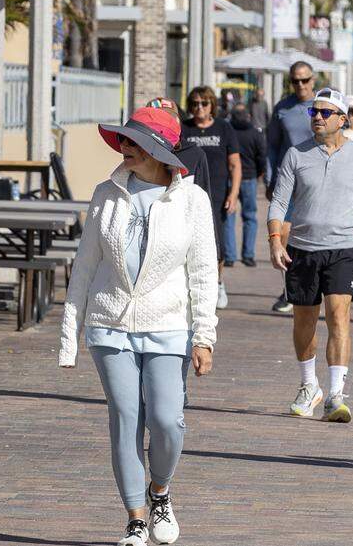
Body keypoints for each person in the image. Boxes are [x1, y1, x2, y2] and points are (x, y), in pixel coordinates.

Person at [60, 106, 218, 546]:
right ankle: (134, 518)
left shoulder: (192, 200)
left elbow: (204, 272)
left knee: (167, 419)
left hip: (170, 323)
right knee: (126, 418)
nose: (122, 147)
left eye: (132, 141)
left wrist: (204, 336)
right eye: (122, 140)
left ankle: (160, 491)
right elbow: (85, 265)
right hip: (110, 321)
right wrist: (69, 334)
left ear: (157, 148)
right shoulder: (105, 193)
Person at [268, 88, 353, 422]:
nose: (317, 117)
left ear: (342, 119)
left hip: (344, 248)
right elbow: (278, 201)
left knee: (338, 315)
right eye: (313, 112)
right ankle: (309, 386)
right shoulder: (295, 155)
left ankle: (335, 394)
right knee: (304, 320)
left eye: (325, 113)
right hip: (302, 248)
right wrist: (275, 239)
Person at [183, 86, 241, 309]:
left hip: (216, 195)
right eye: (195, 104)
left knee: (216, 243)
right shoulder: (185, 129)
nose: (199, 108)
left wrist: (234, 194)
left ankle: (217, 283)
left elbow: (235, 165)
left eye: (204, 103)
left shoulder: (224, 129)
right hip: (188, 194)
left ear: (212, 106)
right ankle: (192, 285)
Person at [266, 61, 318, 313]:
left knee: (314, 233)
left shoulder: (323, 106)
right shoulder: (282, 109)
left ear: (313, 80)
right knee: (284, 234)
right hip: (287, 179)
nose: (300, 85)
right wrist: (269, 177)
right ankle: (289, 290)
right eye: (295, 81)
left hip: (318, 180)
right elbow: (272, 146)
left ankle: (315, 284)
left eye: (305, 80)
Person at [225, 103, 266, 267]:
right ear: (248, 116)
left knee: (228, 215)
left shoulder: (229, 132)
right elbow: (262, 156)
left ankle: (229, 256)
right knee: (250, 217)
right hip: (249, 178)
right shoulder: (255, 133)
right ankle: (248, 256)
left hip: (231, 178)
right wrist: (260, 173)